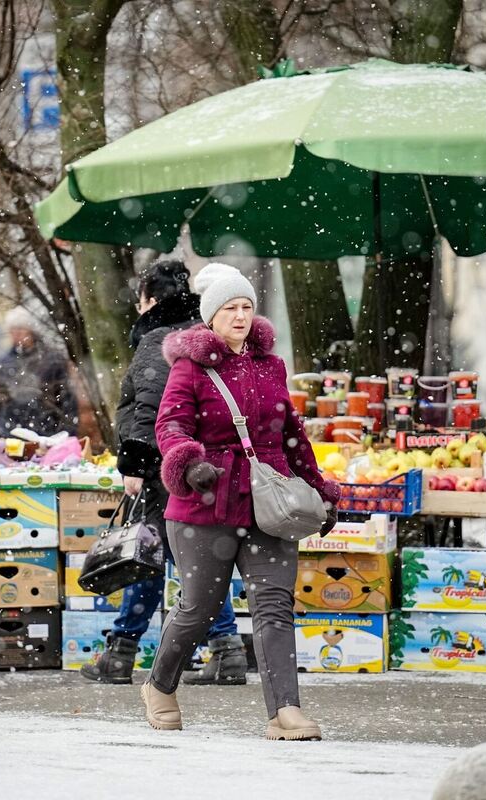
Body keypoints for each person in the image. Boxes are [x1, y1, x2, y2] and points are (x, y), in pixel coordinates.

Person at [144, 263, 339, 739]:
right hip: (204, 505)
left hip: (269, 505)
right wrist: (189, 464)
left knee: (274, 605)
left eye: (247, 306)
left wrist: (321, 489)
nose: (240, 315)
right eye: (230, 307)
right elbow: (169, 426)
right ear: (210, 316)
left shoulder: (270, 366)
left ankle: (284, 712)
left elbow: (291, 435)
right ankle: (159, 684)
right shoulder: (190, 367)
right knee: (199, 609)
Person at [82, 259, 244, 686]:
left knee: (161, 557)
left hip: (163, 468)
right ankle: (222, 651)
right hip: (200, 467)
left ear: (150, 300)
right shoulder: (205, 335)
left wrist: (134, 464)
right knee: (178, 557)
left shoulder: (159, 339)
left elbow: (149, 407)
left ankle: (127, 653)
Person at [0, 306, 78, 441]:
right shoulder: (3, 364)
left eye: (21, 328)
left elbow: (66, 399)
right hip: (12, 433)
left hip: (47, 431)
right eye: (13, 329)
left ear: (31, 331)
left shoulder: (52, 359)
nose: (17, 333)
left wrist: (67, 433)